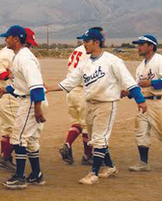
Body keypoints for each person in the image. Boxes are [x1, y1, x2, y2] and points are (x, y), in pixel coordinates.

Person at [48, 28, 146, 185]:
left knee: (99, 138)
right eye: (83, 41)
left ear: (96, 42)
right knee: (95, 139)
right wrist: (49, 88)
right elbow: (70, 81)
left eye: (86, 41)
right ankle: (110, 166)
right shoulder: (85, 62)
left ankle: (93, 173)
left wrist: (140, 100)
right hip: (90, 104)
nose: (84, 44)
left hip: (107, 104)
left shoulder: (113, 61)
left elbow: (129, 82)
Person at [0, 26, 46, 189]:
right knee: (32, 140)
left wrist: (37, 108)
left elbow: (35, 85)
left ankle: (20, 177)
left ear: (16, 38)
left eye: (7, 37)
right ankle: (37, 175)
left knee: (18, 138)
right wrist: (4, 90)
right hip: (28, 98)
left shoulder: (24, 58)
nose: (5, 40)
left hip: (30, 101)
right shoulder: (19, 56)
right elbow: (20, 84)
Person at [128, 34, 162, 172]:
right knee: (140, 133)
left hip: (160, 102)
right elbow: (139, 86)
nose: (139, 47)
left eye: (142, 44)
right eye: (138, 44)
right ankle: (143, 163)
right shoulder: (141, 66)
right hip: (144, 102)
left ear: (151, 46)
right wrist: (128, 93)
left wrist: (150, 83)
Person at [58, 28, 102, 166]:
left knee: (77, 122)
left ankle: (68, 144)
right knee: (87, 126)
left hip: (71, 91)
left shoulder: (76, 50)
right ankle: (87, 156)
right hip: (82, 90)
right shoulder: (89, 52)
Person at [0, 39, 17, 170]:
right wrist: (11, 76)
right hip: (8, 96)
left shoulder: (15, 52)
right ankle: (5, 157)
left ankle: (4, 157)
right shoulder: (7, 53)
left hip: (8, 95)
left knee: (7, 129)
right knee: (15, 129)